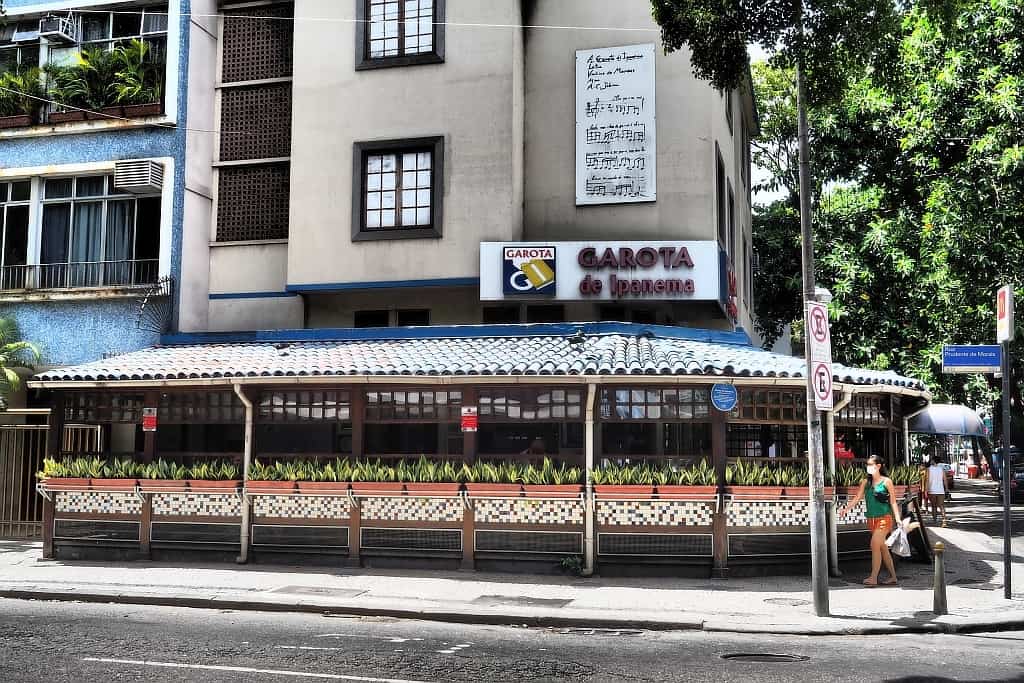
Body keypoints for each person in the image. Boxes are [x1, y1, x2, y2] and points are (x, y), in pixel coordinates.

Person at [839, 455, 903, 587]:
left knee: (874, 544)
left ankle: (873, 578)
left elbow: (893, 502)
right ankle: (893, 577)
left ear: (878, 466)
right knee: (883, 548)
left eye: (870, 464)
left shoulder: (887, 482)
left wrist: (897, 518)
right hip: (871, 520)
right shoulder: (865, 482)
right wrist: (846, 509)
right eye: (867, 464)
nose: (868, 466)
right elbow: (857, 497)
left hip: (884, 519)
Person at [927, 457, 948, 527]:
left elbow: (928, 480)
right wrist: (947, 489)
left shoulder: (929, 469)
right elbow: (945, 480)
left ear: (934, 461)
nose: (930, 461)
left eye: (931, 460)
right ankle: (944, 520)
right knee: (941, 506)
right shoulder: (942, 469)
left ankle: (935, 520)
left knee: (934, 506)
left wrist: (927, 489)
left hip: (932, 490)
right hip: (941, 490)